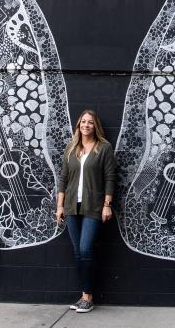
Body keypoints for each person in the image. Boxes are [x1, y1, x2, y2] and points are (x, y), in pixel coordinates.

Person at [56, 109, 117, 313]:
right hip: (72, 205)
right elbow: (63, 178)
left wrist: (107, 204)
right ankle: (84, 294)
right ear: (78, 125)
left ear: (95, 126)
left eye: (90, 122)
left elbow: (110, 177)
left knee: (85, 250)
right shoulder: (71, 148)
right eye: (83, 122)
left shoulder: (104, 148)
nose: (86, 125)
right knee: (77, 252)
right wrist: (59, 206)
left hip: (94, 206)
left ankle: (87, 297)